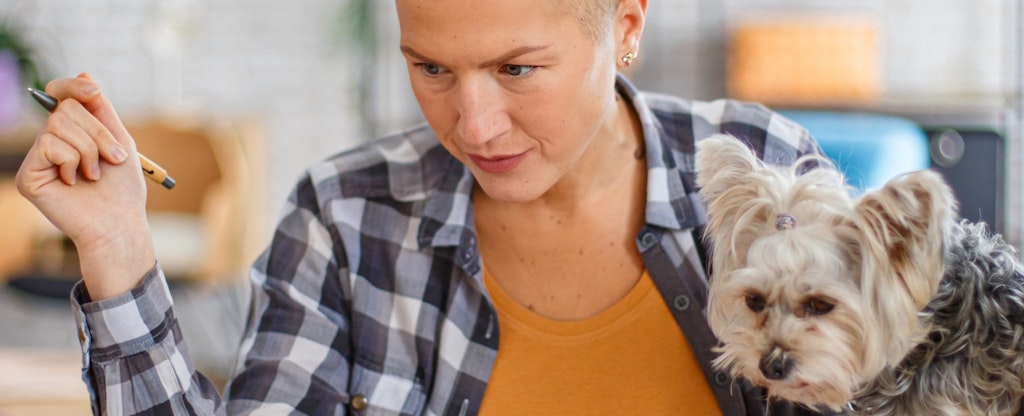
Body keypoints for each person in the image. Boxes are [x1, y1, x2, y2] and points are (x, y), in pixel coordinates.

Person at [16, 0, 832, 415]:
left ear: (624, 23)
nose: (473, 127)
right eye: (431, 68)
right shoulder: (345, 218)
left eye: (516, 70)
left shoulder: (765, 172)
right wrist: (118, 243)